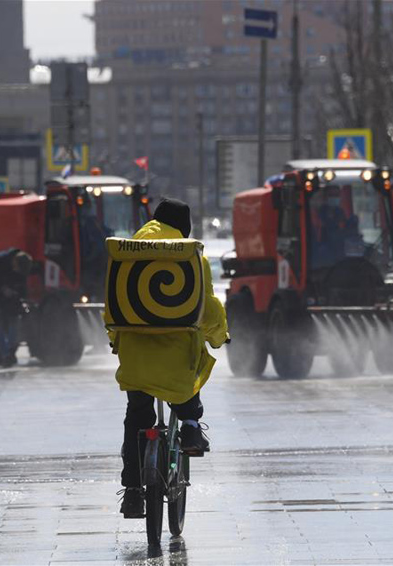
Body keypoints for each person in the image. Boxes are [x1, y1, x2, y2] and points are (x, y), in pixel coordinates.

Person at [107, 198, 228, 519]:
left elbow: (113, 304)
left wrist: (115, 339)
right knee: (193, 366)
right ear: (183, 225)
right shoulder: (189, 253)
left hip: (135, 353)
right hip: (177, 352)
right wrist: (218, 336)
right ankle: (189, 425)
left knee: (137, 416)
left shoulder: (126, 251)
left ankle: (132, 492)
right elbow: (207, 307)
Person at [0, 248, 32, 367]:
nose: (16, 271)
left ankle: (11, 351)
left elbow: (22, 283)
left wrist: (23, 297)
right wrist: (2, 289)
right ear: (14, 262)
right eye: (16, 269)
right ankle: (5, 355)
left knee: (14, 322)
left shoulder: (22, 265)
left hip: (12, 300)